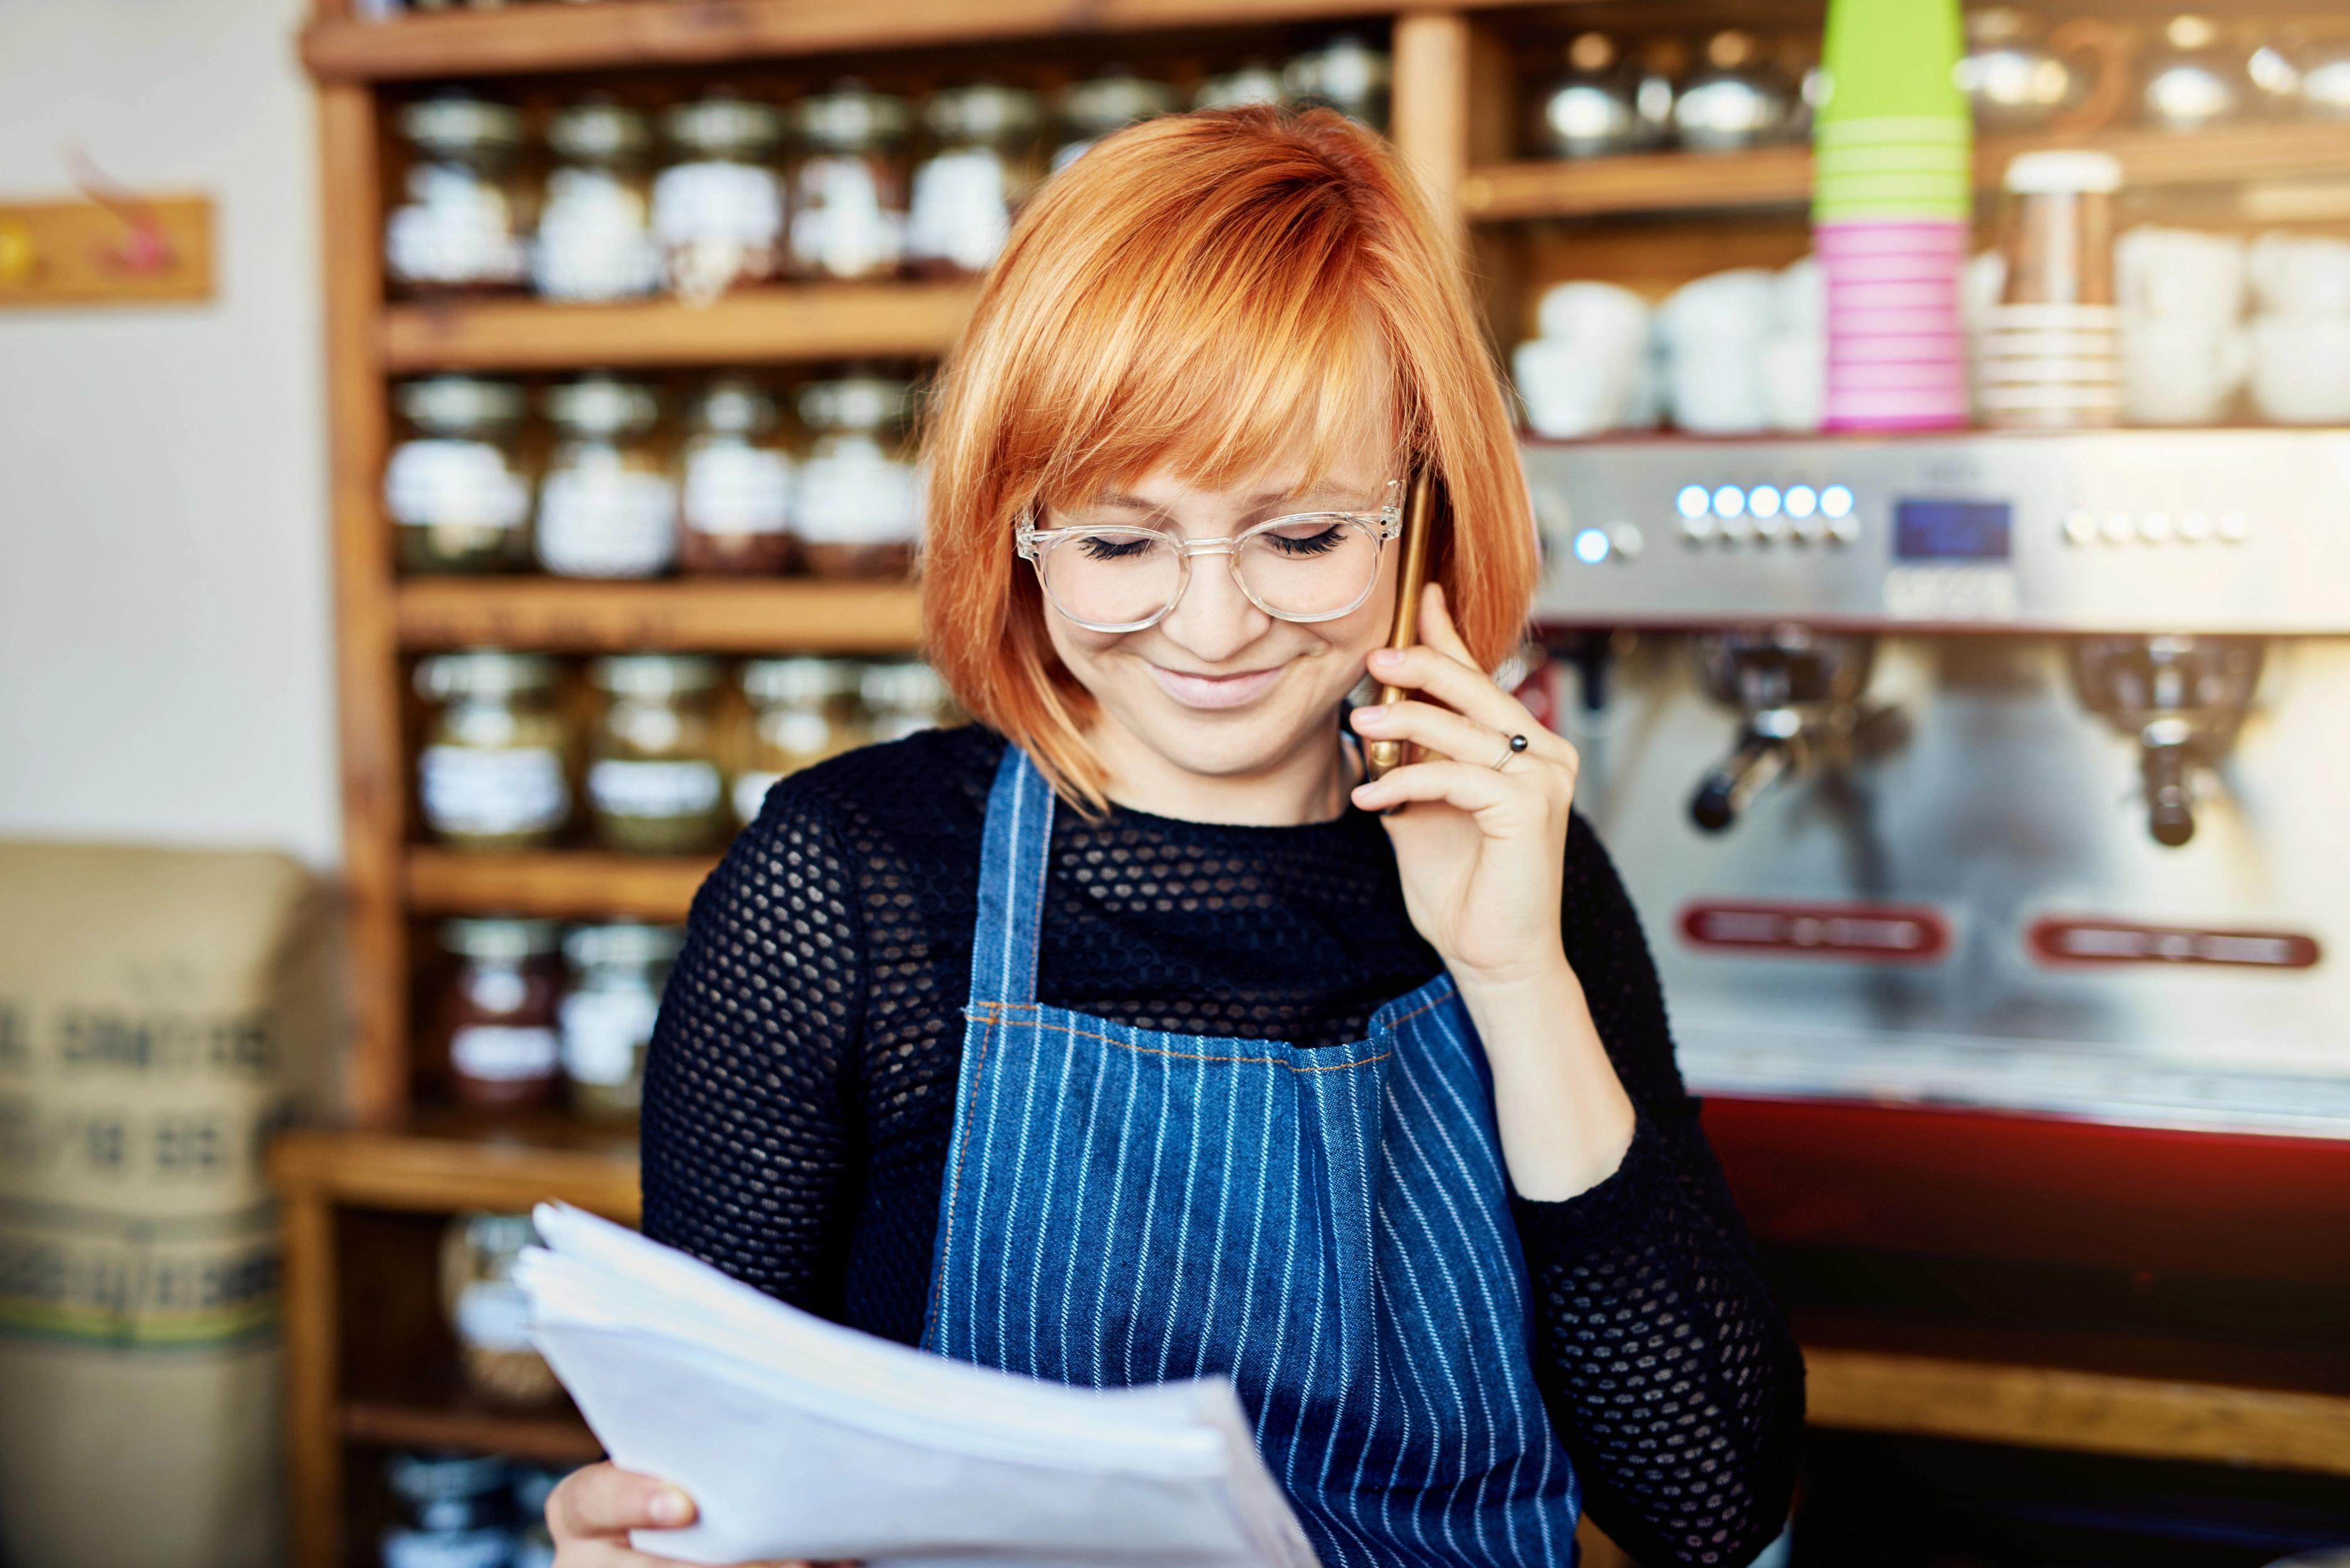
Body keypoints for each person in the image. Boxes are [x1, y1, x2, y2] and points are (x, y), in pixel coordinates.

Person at [549, 103, 1804, 1568]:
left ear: (1422, 512)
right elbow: (713, 1477)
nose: (1212, 629)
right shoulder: (848, 885)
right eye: (1120, 541)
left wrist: (1517, 977)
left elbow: (1712, 1503)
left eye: (1303, 536)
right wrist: (645, 1540)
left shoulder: (1520, 863)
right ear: (1014, 529)